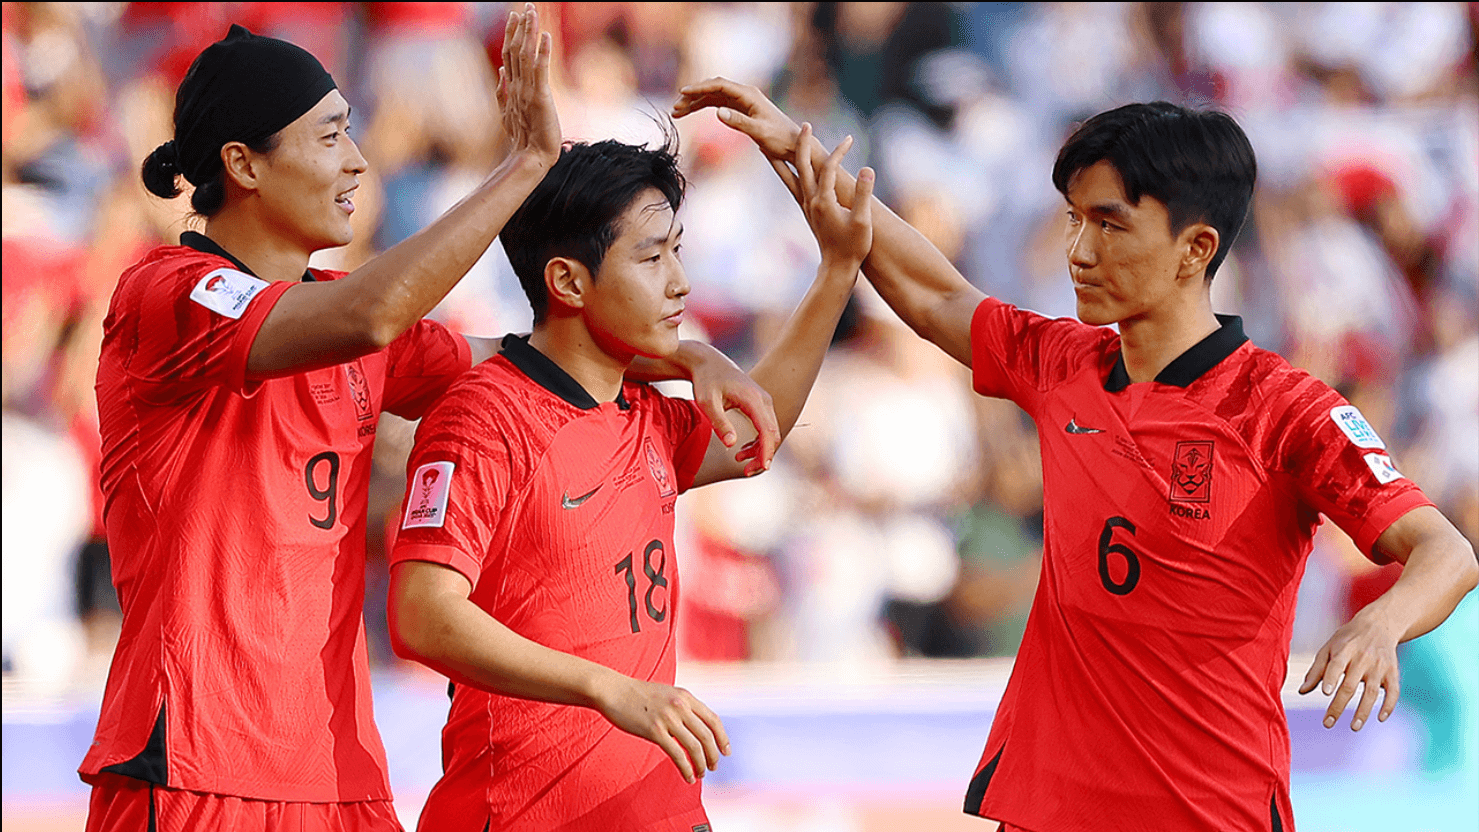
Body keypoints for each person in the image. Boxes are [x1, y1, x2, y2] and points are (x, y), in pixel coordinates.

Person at [673, 80, 1479, 831]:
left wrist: (1380, 623)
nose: (1078, 251)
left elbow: (1446, 552)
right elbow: (935, 294)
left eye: (1109, 224)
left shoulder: (1284, 409)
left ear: (1195, 248)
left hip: (1207, 812)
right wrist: (795, 149)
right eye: (1073, 220)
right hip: (1049, 807)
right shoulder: (1064, 364)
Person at [78, 10, 780, 832]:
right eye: (331, 136)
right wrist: (524, 167)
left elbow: (540, 354)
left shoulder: (347, 326)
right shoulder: (168, 295)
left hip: (341, 778)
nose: (358, 159)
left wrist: (690, 356)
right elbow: (371, 313)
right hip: (192, 766)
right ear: (244, 164)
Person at [385, 125, 874, 831]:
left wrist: (836, 271)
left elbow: (755, 434)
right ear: (567, 281)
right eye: (651, 256)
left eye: (677, 250)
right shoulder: (484, 416)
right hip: (520, 815)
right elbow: (421, 614)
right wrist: (605, 688)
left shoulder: (643, 412)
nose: (679, 281)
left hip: (664, 814)